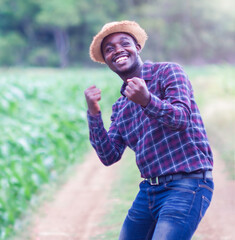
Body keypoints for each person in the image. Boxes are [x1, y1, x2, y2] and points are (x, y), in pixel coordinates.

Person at [84, 20, 214, 239]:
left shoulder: (169, 72)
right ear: (106, 61)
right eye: (109, 49)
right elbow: (109, 156)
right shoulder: (120, 106)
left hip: (187, 183)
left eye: (124, 43)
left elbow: (181, 118)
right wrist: (94, 114)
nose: (118, 50)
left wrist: (147, 100)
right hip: (149, 191)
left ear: (137, 48)